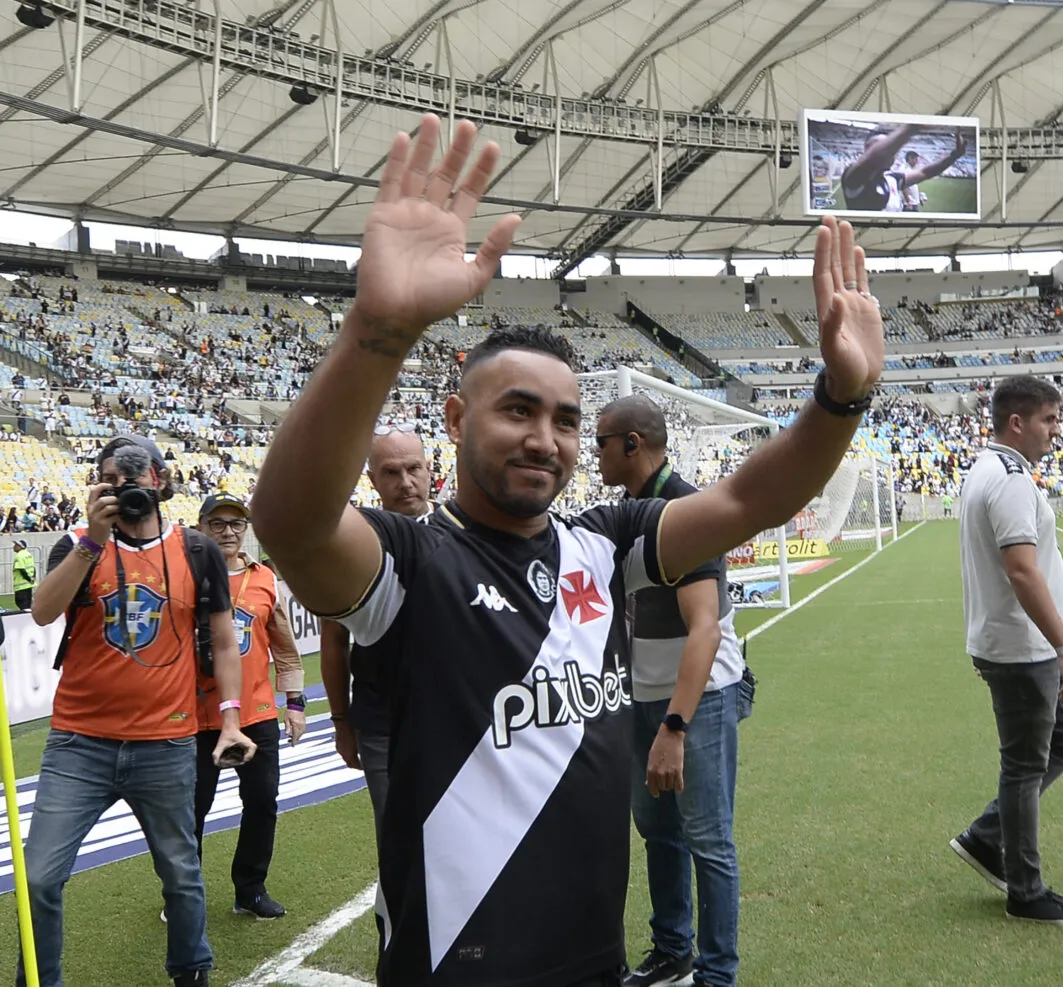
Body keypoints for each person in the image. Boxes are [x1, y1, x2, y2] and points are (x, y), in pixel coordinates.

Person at [251, 114, 884, 987]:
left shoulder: (605, 544)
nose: (545, 437)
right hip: (457, 966)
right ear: (457, 419)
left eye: (566, 419)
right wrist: (378, 330)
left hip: (594, 960)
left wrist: (840, 399)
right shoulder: (412, 562)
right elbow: (291, 523)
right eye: (518, 409)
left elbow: (753, 497)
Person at [20, 435, 256, 987]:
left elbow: (224, 642)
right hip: (79, 742)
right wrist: (91, 543)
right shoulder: (77, 544)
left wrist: (229, 719)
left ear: (161, 482)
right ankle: (38, 979)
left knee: (181, 874)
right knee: (38, 878)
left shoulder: (196, 550)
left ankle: (191, 971)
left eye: (136, 476)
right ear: (97, 486)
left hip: (165, 743)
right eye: (112, 478)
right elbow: (40, 612)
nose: (125, 487)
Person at [595, 395, 745, 987]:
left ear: (633, 444)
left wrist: (674, 727)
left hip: (695, 700)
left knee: (707, 839)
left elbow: (704, 628)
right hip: (643, 694)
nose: (595, 452)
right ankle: (673, 951)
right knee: (657, 830)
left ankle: (717, 975)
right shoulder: (632, 508)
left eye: (602, 440)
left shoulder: (685, 510)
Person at [950, 376, 1063, 927]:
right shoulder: (1009, 479)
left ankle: (989, 838)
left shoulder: (989, 469)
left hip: (1015, 642)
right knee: (1024, 765)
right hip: (1022, 647)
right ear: (1018, 422)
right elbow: (1020, 570)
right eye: (1049, 420)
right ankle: (1025, 890)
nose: (1056, 432)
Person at [192, 492, 307, 920]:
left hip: (257, 714)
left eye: (235, 524)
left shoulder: (265, 581)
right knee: (192, 809)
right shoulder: (186, 576)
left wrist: (294, 702)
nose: (227, 532)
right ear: (201, 527)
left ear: (246, 530)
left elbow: (287, 652)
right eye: (217, 523)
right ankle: (182, 892)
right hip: (198, 715)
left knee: (262, 801)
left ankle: (250, 888)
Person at [321, 426, 434, 845]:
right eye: (390, 472)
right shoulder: (353, 545)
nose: (405, 482)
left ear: (429, 470)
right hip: (383, 724)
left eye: (413, 469)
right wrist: (340, 721)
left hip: (459, 718)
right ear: (372, 480)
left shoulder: (463, 531)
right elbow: (333, 642)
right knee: (399, 843)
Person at [839, 125, 967, 213]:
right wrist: (912, 127)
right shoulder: (853, 178)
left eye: (892, 149)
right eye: (886, 147)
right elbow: (874, 159)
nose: (891, 152)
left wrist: (954, 156)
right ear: (867, 149)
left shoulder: (892, 178)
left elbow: (925, 172)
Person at [12, 538, 35, 611]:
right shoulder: (29, 554)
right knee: (28, 605)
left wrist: (28, 578)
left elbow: (21, 569)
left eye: (16, 545)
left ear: (21, 547)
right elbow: (33, 568)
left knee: (21, 604)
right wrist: (32, 578)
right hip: (29, 584)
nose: (14, 546)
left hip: (21, 585)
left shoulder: (19, 556)